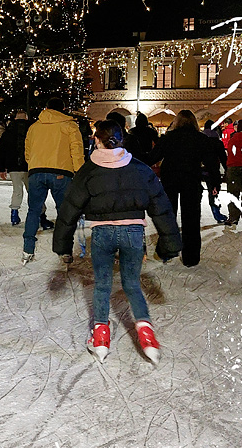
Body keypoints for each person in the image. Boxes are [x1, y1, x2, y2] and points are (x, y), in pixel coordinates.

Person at [53, 120, 181, 364]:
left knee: (102, 284)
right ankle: (147, 335)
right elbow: (161, 206)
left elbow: (69, 209)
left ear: (97, 141)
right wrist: (170, 242)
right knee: (132, 283)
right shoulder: (140, 169)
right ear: (122, 139)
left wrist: (62, 245)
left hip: (102, 234)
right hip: (133, 233)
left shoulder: (88, 171)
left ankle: (101, 336)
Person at [145, 110, 221, 267]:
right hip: (191, 182)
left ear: (177, 122)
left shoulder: (169, 138)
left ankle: (166, 251)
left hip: (170, 182)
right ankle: (191, 257)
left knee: (168, 218)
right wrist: (215, 183)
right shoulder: (201, 139)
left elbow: (152, 158)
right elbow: (212, 164)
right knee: (191, 221)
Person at [21, 97, 86, 265]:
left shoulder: (34, 127)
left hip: (36, 172)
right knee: (64, 213)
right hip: (61, 172)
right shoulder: (70, 126)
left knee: (33, 211)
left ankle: (27, 249)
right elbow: (76, 150)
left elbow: (27, 151)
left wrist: (34, 165)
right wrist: (80, 171)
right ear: (62, 108)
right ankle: (64, 251)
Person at [0, 110, 30, 226]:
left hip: (13, 166)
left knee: (17, 190)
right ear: (26, 118)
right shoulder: (31, 131)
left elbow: (1, 151)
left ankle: (14, 214)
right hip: (29, 166)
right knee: (33, 191)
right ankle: (40, 214)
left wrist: (1, 168)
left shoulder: (8, 133)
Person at [202, 119, 228, 223]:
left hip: (198, 170)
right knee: (214, 191)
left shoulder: (199, 140)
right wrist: (227, 170)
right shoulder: (217, 142)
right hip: (212, 171)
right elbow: (223, 158)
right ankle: (216, 213)